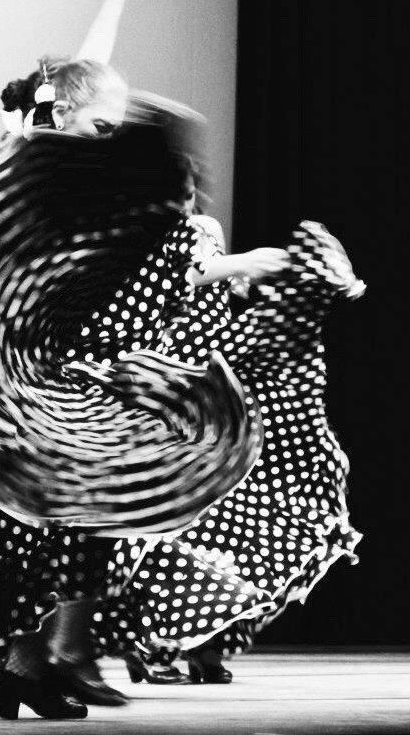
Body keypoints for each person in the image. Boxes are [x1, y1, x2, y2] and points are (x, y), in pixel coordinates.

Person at [0, 0, 260, 719]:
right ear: (60, 119)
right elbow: (68, 89)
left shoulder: (90, 191)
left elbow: (83, 91)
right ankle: (29, 663)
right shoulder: (35, 165)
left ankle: (50, 660)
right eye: (100, 124)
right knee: (29, 525)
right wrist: (114, 0)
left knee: (81, 522)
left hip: (71, 380)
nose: (110, 135)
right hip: (17, 386)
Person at [92, 183, 364, 684]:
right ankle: (157, 643)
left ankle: (195, 646)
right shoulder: (142, 242)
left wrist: (243, 278)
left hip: (210, 375)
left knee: (218, 524)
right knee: (178, 525)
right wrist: (245, 265)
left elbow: (207, 283)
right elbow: (188, 278)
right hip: (186, 375)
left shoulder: (199, 233)